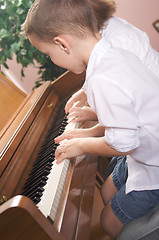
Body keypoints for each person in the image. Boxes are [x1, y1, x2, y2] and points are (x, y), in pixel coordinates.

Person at [22, 0, 159, 238]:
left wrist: (81, 144)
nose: (51, 60)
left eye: (47, 53)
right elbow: (127, 110)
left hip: (154, 163)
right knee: (107, 191)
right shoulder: (109, 53)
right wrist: (86, 131)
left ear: (62, 44)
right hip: (147, 151)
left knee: (108, 222)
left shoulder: (102, 77)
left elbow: (124, 143)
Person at [65, 12, 159, 122]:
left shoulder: (116, 41)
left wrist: (93, 122)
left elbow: (130, 118)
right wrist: (85, 90)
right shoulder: (108, 27)